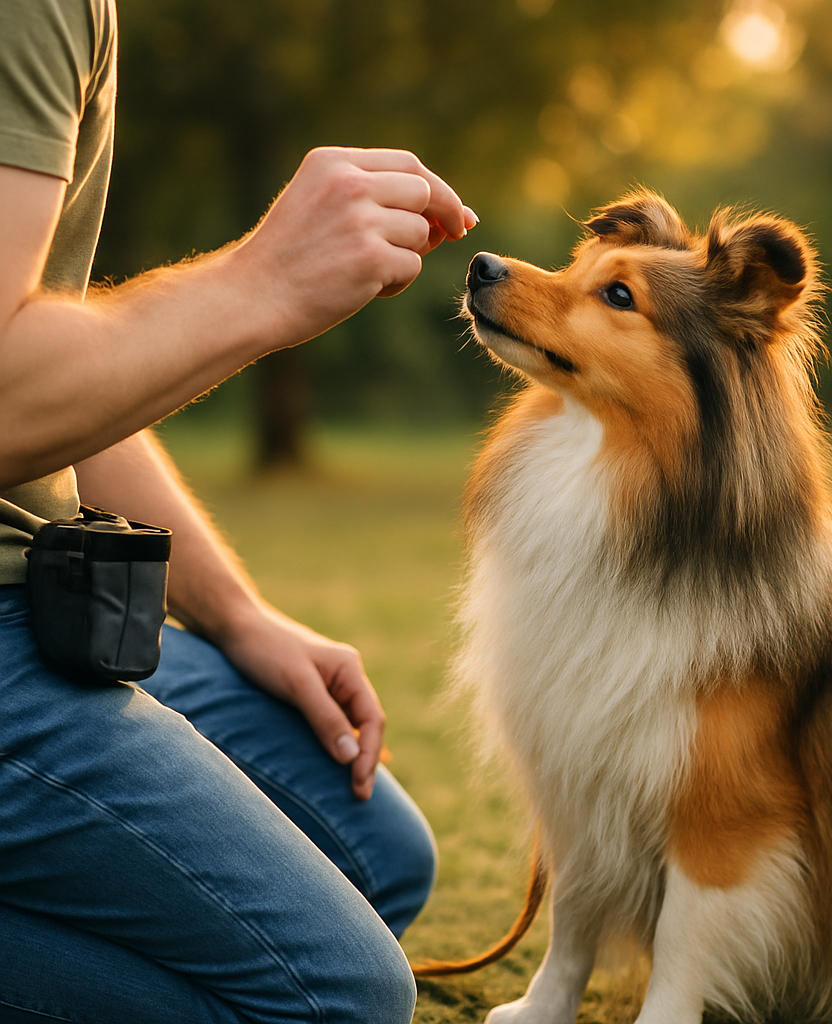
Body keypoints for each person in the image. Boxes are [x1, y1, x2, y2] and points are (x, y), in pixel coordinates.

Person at [0, 0, 477, 1021]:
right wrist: (265, 280)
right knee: (335, 998)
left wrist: (237, 614)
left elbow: (57, 381)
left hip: (39, 582)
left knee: (371, 858)